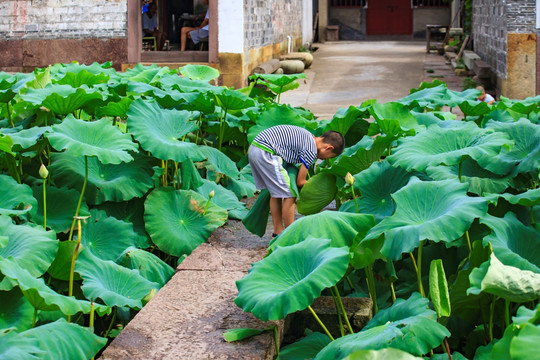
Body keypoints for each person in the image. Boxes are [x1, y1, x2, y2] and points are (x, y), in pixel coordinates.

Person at [248, 125, 345, 237]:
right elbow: (300, 181)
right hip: (266, 153)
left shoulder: (309, 137)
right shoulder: (311, 151)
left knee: (276, 194)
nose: (324, 159)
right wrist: (316, 189)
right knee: (290, 195)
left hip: (256, 148)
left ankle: (277, 232)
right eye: (328, 157)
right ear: (329, 148)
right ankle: (290, 234)